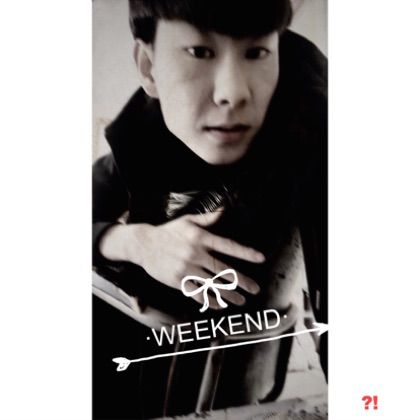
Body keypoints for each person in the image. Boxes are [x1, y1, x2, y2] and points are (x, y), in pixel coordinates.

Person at [93, 0, 327, 418]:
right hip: (122, 360)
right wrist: (135, 242)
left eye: (257, 52)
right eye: (200, 52)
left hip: (251, 371)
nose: (233, 93)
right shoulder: (140, 134)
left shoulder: (317, 127)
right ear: (148, 67)